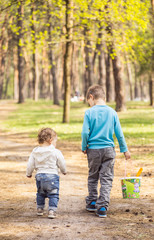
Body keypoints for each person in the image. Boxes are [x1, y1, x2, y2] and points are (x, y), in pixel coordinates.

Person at [81, 85, 131, 218]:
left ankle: (92, 202)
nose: (89, 104)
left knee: (93, 176)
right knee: (106, 178)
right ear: (104, 97)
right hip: (109, 150)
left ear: (91, 97)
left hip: (93, 150)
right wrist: (124, 150)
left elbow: (85, 132)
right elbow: (119, 134)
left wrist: (84, 146)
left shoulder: (89, 112)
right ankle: (102, 206)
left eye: (89, 102)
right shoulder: (112, 112)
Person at [26, 128, 66, 219]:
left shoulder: (35, 151)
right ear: (51, 140)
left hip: (39, 176)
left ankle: (40, 209)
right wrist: (64, 171)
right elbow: (62, 163)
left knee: (40, 193)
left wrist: (29, 173)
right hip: (52, 176)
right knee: (53, 194)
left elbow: (30, 164)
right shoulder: (56, 151)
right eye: (55, 141)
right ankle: (51, 210)